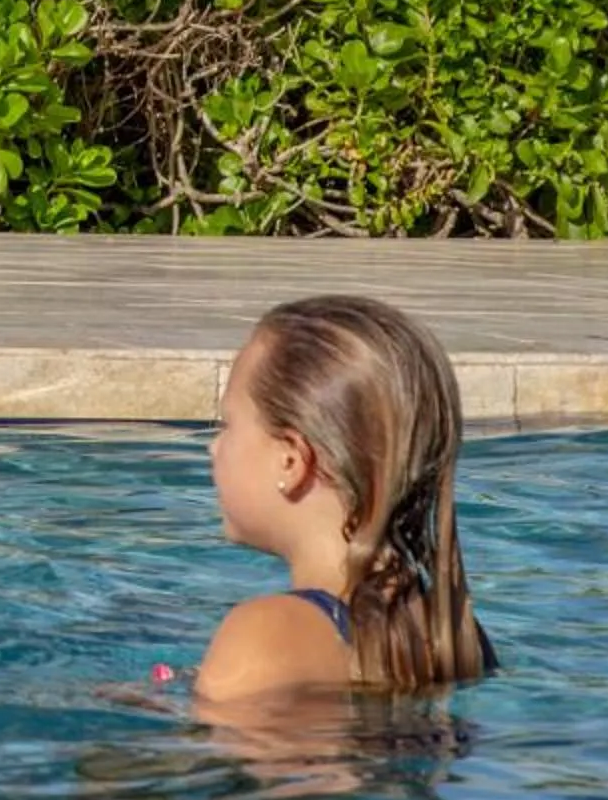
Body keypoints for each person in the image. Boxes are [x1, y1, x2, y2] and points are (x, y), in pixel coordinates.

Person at [194, 294, 499, 707]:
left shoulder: (266, 635)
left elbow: (214, 762)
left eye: (226, 425)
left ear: (291, 460)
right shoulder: (453, 631)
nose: (214, 448)